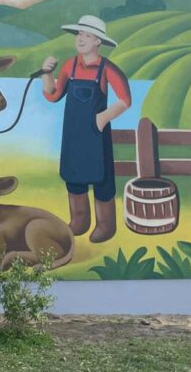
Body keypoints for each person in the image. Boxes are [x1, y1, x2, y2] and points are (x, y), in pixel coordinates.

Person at [41, 15, 131, 243]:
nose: (81, 39)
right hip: (73, 135)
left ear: (97, 42)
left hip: (96, 136)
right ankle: (79, 222)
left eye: (87, 36)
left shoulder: (107, 68)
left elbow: (125, 100)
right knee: (74, 177)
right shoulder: (69, 66)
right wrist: (46, 74)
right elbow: (53, 95)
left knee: (102, 180)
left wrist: (102, 118)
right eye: (79, 34)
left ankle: (105, 225)